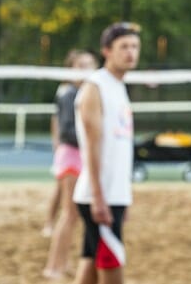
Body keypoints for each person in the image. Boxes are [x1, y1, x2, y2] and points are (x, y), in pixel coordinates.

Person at [72, 23, 140, 284]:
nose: (130, 52)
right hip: (99, 194)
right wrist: (99, 197)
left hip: (114, 193)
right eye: (124, 46)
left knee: (90, 263)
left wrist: (124, 194)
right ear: (107, 51)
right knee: (112, 266)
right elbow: (91, 146)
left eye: (134, 46)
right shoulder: (95, 87)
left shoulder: (118, 86)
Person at [43, 49, 99, 280]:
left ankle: (63, 263)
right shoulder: (69, 94)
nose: (86, 68)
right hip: (72, 155)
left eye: (89, 64)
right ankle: (53, 266)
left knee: (74, 215)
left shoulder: (87, 92)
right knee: (69, 214)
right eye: (80, 65)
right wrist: (94, 138)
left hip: (80, 155)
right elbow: (66, 130)